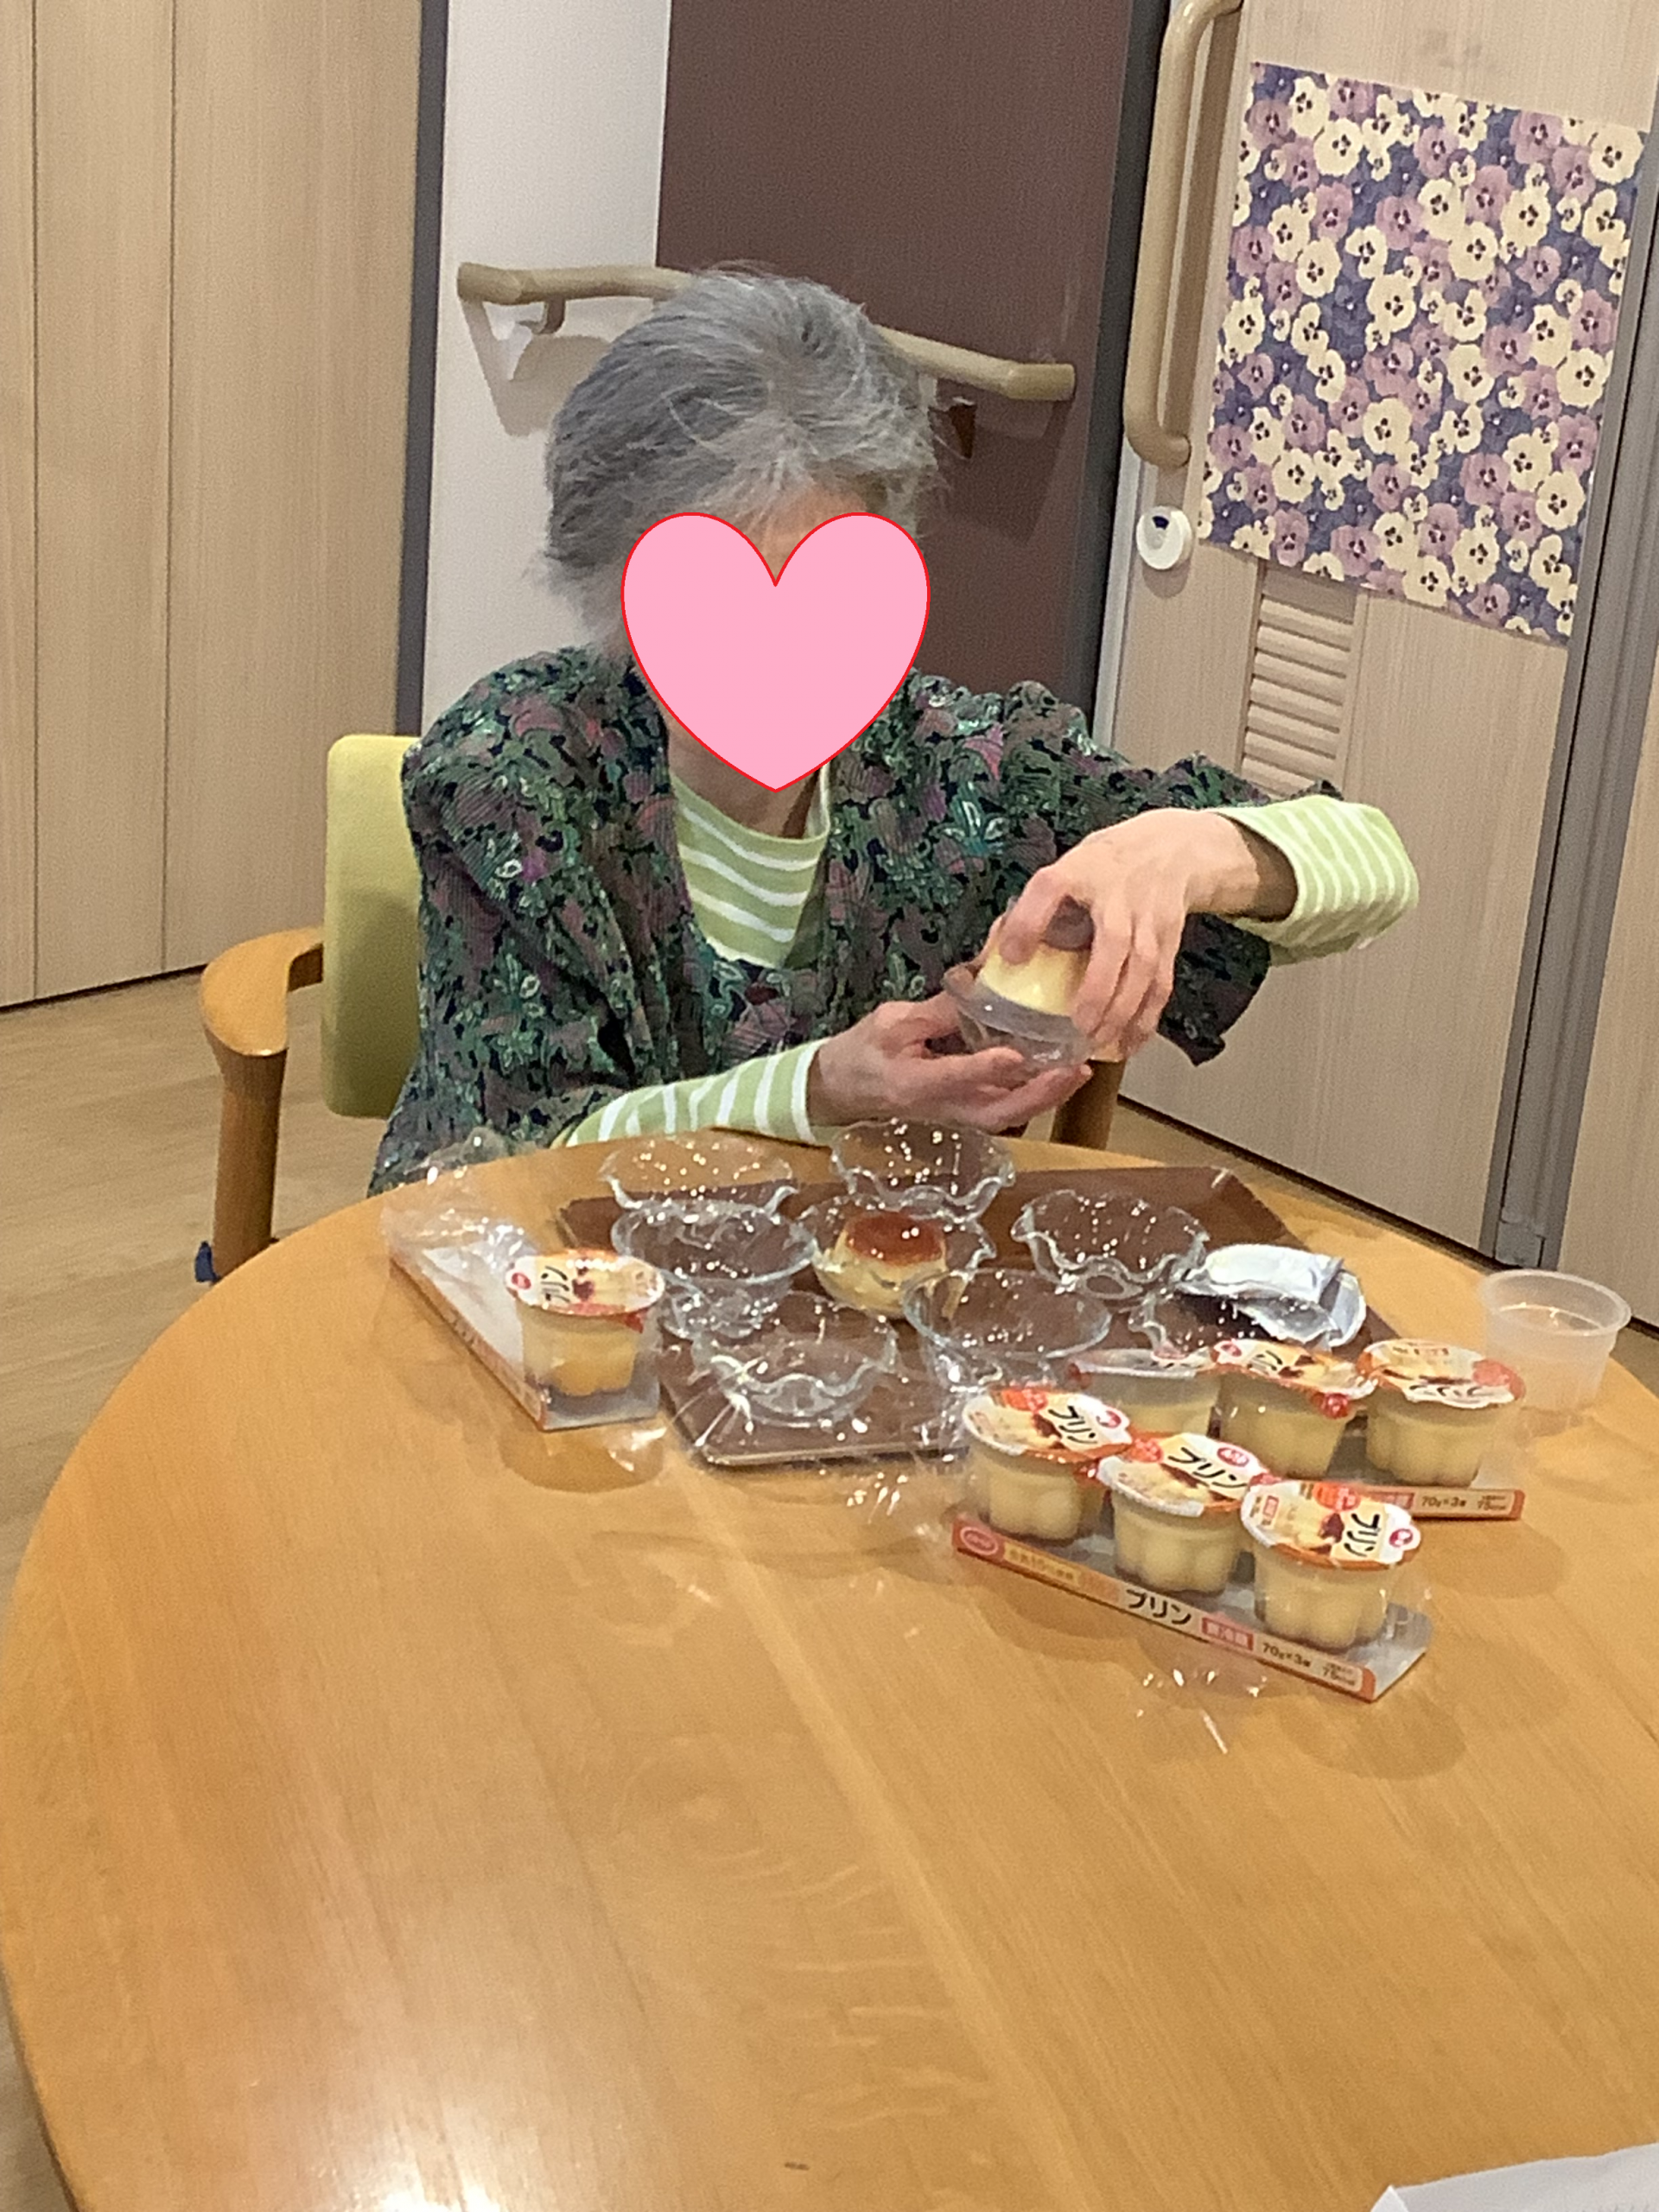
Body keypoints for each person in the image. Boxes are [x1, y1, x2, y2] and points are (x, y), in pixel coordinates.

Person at [371, 271, 1415, 1192]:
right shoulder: (519, 772)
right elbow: (511, 1162)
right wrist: (819, 1090)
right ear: (614, 583)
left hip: (855, 1302)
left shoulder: (956, 770)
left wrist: (1183, 852)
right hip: (547, 1288)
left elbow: (1375, 863)